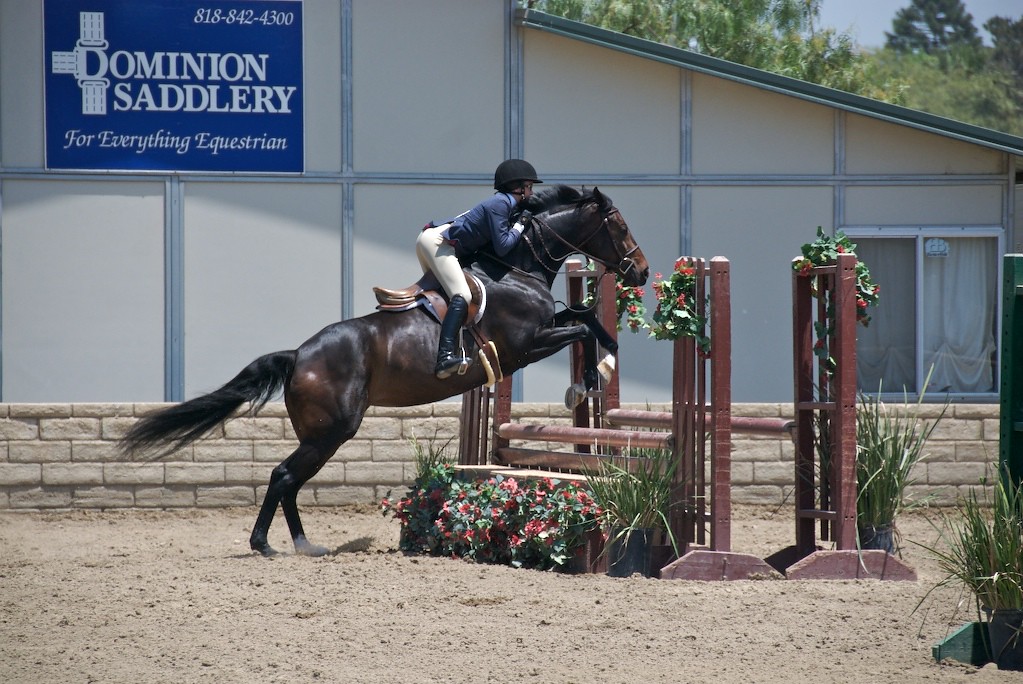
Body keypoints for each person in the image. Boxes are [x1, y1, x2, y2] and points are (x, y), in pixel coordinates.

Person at [416, 159, 542, 379]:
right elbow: (503, 246)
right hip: (437, 243)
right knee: (462, 294)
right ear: (518, 187)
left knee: (445, 296)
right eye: (529, 187)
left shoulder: (502, 203)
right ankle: (444, 356)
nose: (531, 192)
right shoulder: (502, 204)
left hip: (432, 241)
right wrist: (520, 224)